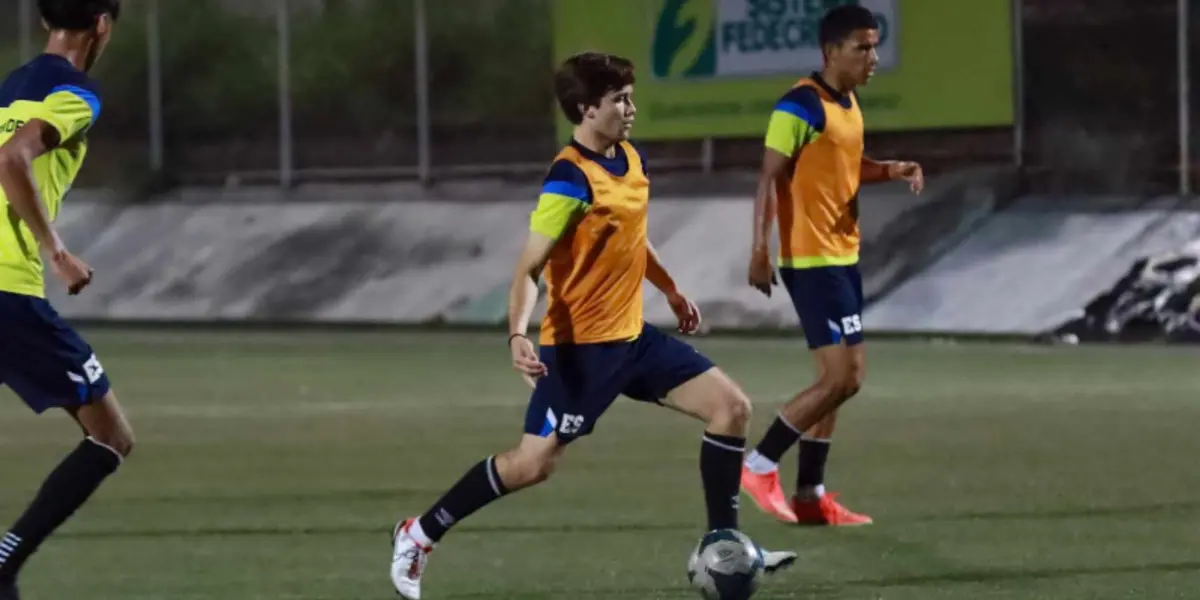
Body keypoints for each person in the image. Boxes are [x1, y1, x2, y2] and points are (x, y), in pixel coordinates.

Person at [389, 51, 795, 599]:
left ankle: (727, 545)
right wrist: (517, 334)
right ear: (586, 109)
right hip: (579, 352)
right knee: (532, 464)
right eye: (619, 100)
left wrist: (670, 289)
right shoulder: (568, 179)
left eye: (631, 97)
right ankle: (419, 534)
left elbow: (633, 239)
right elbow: (528, 269)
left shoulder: (630, 157)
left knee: (732, 409)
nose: (631, 109)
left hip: (634, 340)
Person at [740, 5, 924, 526]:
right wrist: (759, 250)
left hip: (843, 256)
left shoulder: (848, 104)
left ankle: (810, 494)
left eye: (875, 47)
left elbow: (845, 167)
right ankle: (758, 465)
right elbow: (769, 177)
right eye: (862, 47)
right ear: (831, 51)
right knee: (842, 376)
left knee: (844, 379)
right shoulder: (799, 104)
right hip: (811, 257)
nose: (873, 58)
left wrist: (892, 168)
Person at [0, 1, 130, 598]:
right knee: (110, 436)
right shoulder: (77, 93)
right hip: (7, 292)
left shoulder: (9, 88)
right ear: (101, 24)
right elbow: (12, 157)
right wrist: (56, 251)